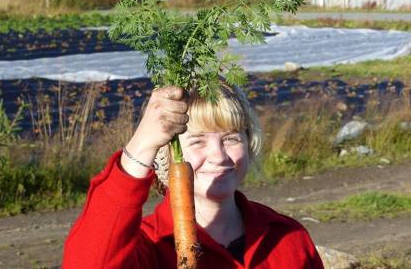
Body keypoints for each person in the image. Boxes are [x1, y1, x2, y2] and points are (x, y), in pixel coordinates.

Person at [62, 82, 324, 269]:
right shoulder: (148, 245)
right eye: (197, 141)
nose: (219, 155)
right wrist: (140, 147)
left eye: (231, 138)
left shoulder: (286, 236)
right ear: (165, 154)